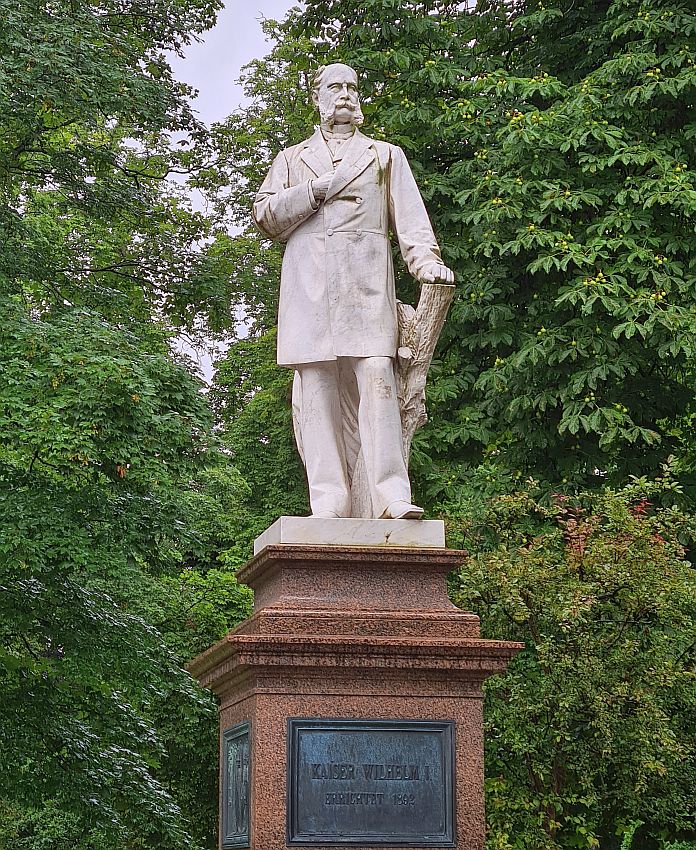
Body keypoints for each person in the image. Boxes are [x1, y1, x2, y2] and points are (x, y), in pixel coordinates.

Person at [253, 63, 454, 520]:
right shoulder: (292, 158)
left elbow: (411, 221)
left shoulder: (385, 155)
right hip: (309, 284)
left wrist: (426, 263)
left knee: (379, 376)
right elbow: (264, 216)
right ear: (317, 97)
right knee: (316, 388)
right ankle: (328, 500)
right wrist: (315, 189)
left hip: (365, 283)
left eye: (351, 87)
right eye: (334, 87)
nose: (344, 95)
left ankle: (390, 495)